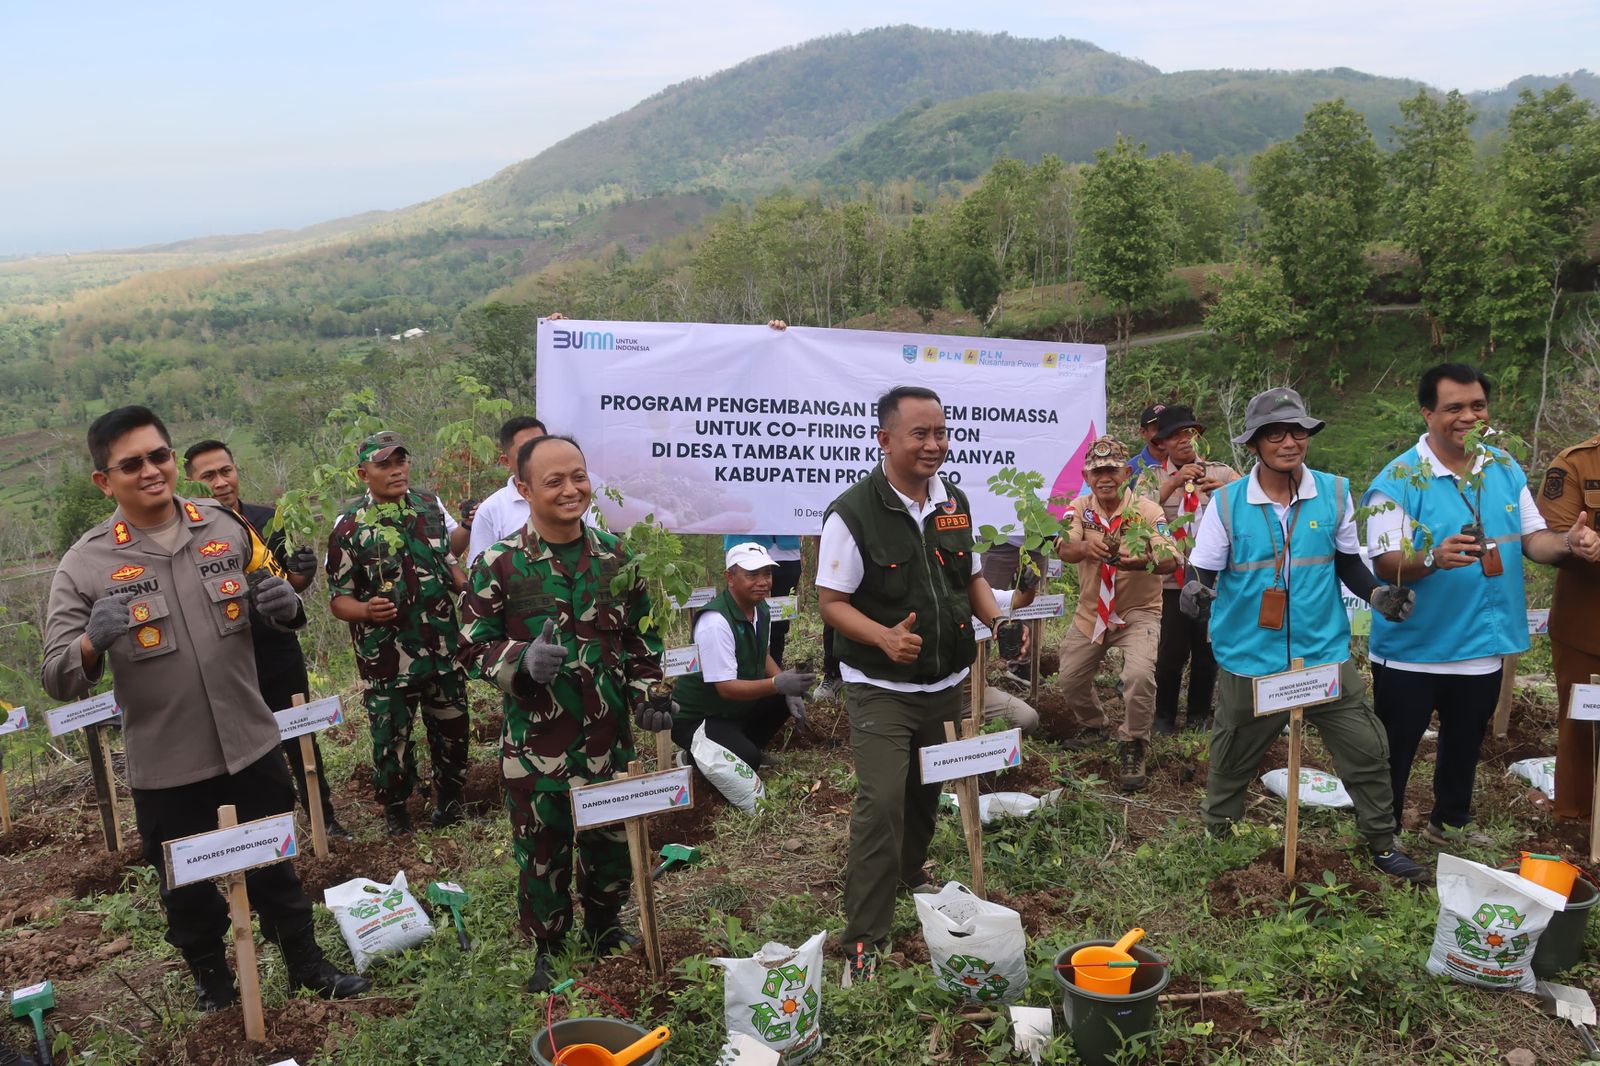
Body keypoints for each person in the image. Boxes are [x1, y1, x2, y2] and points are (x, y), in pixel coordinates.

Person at [41, 406, 366, 1013]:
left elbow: (283, 604)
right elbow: (56, 676)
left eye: (159, 456)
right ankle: (215, 987)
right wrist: (91, 641)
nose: (151, 471)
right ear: (103, 481)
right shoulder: (84, 565)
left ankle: (305, 963)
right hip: (168, 762)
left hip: (250, 739)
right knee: (186, 889)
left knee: (276, 863)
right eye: (130, 463)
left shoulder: (225, 527)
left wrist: (285, 605)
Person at [1181, 387, 1428, 883]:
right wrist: (1195, 592)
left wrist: (1378, 595)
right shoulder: (1227, 504)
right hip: (1250, 658)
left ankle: (1381, 843)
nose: (1289, 442)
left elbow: (1347, 563)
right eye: (1275, 433)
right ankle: (1217, 835)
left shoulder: (1334, 492)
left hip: (1323, 655)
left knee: (1366, 750)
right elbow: (1201, 571)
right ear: (1254, 444)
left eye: (1298, 431)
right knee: (1232, 757)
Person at [817, 385, 1018, 982]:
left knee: (926, 792)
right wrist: (881, 637)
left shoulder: (953, 501)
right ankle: (863, 935)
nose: (933, 445)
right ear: (885, 439)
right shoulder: (852, 513)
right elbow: (831, 602)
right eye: (919, 434)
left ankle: (908, 872)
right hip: (881, 686)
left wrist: (999, 620)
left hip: (945, 680)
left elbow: (970, 579)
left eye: (940, 433)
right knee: (881, 800)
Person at [456, 434, 666, 993]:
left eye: (578, 476)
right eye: (554, 481)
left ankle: (603, 924)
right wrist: (521, 661)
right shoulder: (498, 564)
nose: (571, 489)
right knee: (542, 850)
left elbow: (642, 638)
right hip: (537, 746)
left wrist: (649, 695)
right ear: (523, 489)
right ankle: (547, 946)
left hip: (606, 736)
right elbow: (471, 644)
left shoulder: (616, 557)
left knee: (609, 841)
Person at [1364, 364, 1598, 844]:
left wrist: (1569, 544)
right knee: (1396, 747)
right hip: (1416, 645)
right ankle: (1380, 835)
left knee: (1465, 740)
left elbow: (1534, 539)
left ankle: (1448, 823)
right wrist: (1431, 557)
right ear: (1427, 412)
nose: (1468, 416)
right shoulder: (1398, 480)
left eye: (1477, 406)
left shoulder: (1504, 467)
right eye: (1453, 408)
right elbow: (1387, 563)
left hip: (1483, 639)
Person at [183, 440, 352, 840]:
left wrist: (303, 575)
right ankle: (261, 834)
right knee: (245, 752)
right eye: (208, 476)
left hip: (276, 651)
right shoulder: (185, 537)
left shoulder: (267, 519)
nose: (221, 482)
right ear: (190, 483)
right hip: (224, 660)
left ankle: (322, 818)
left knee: (299, 738)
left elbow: (288, 589)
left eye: (226, 471)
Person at [325, 430, 472, 835]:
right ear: (363, 473)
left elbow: (447, 558)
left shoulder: (428, 506)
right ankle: (397, 810)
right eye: (384, 464)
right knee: (392, 743)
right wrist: (367, 610)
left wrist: (464, 583)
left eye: (401, 461)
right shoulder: (350, 526)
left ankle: (451, 802)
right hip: (388, 659)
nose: (396, 470)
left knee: (454, 732)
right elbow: (339, 600)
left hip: (442, 648)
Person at [1055, 437, 1176, 791]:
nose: (1105, 477)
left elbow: (1169, 555)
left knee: (1138, 676)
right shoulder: (1077, 509)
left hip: (1139, 612)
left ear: (1126, 472)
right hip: (1092, 612)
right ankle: (1094, 725)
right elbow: (1063, 548)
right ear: (1086, 475)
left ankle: (1134, 742)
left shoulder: (1148, 511)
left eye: (1112, 470)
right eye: (1097, 471)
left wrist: (1144, 561)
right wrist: (1083, 547)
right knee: (1070, 679)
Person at [673, 542, 815, 772]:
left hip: (733, 710)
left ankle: (742, 746)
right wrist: (776, 683)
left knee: (783, 694)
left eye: (767, 573)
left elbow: (763, 655)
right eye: (752, 575)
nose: (763, 582)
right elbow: (726, 688)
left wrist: (786, 686)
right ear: (730, 577)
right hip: (699, 718)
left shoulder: (761, 610)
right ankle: (692, 757)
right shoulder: (715, 622)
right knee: (748, 761)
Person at [1142, 406, 1239, 734]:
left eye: (1189, 433)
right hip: (1171, 582)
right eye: (1174, 436)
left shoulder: (1222, 474)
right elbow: (1134, 514)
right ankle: (1164, 717)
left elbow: (1251, 505)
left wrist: (1224, 494)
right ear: (1162, 443)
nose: (1183, 441)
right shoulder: (1152, 476)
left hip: (1212, 581)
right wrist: (1171, 484)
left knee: (1207, 650)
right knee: (1170, 652)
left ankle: (1199, 716)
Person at [1538, 432, 1600, 819]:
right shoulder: (1575, 463)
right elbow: (1557, 533)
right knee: (1583, 729)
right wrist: (1576, 542)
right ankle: (1578, 827)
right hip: (1587, 629)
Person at [466, 416, 548, 565]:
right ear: (506, 461)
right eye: (526, 451)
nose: (536, 456)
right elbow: (479, 570)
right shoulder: (491, 510)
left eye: (542, 447)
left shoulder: (571, 498)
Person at [721, 535, 804, 666]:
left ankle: (775, 670)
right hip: (743, 540)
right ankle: (742, 670)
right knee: (743, 616)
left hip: (786, 545)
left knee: (780, 619)